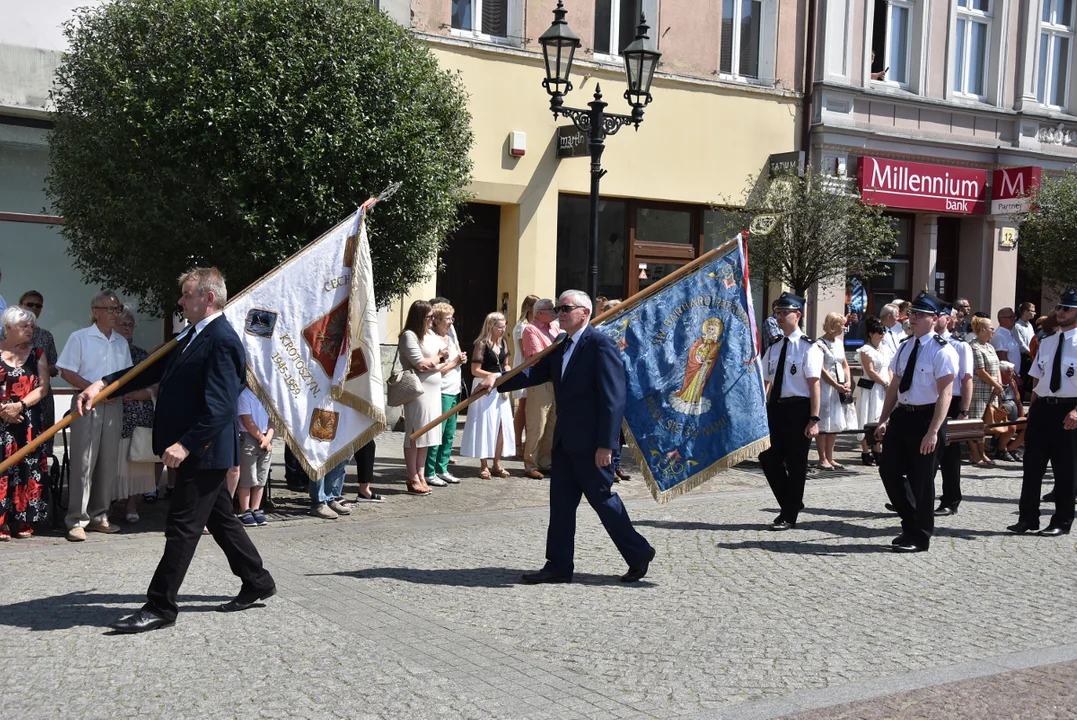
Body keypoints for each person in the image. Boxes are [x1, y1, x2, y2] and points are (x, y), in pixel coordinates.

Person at [78, 267, 275, 633]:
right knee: (220, 519)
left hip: (205, 450)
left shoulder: (222, 340)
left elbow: (220, 408)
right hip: (198, 449)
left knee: (181, 527)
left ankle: (160, 606)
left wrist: (185, 444)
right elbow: (149, 369)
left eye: (186, 295)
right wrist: (102, 384)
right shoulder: (191, 335)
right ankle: (257, 580)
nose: (181, 301)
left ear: (208, 298)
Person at [483, 290, 655, 583]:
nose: (560, 313)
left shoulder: (600, 345)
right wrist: (498, 380)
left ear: (585, 313)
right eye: (558, 308)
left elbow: (613, 399)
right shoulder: (561, 343)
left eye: (566, 308)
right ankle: (558, 566)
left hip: (591, 445)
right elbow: (536, 373)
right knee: (561, 505)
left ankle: (638, 553)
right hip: (564, 441)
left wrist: (606, 444)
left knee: (602, 500)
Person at [873, 292, 958, 553]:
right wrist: (883, 419)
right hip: (902, 416)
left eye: (920, 315)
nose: (914, 318)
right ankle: (910, 522)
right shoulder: (905, 346)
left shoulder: (942, 350)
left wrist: (933, 431)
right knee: (888, 470)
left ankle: (920, 536)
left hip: (926, 418)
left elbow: (945, 392)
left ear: (934, 319)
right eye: (912, 313)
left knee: (922, 479)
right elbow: (895, 385)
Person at [57, 289, 132, 541]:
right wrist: (94, 389)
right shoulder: (80, 338)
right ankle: (76, 520)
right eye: (109, 309)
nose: (114, 314)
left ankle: (100, 516)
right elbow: (66, 371)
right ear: (95, 312)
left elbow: (127, 375)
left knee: (108, 462)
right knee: (83, 463)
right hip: (85, 404)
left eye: (117, 309)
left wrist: (116, 390)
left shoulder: (121, 341)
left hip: (113, 405)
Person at [1009, 290, 1077, 536]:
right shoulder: (1047, 342)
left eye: (1067, 308)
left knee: (1065, 469)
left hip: (1069, 409)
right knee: (1033, 466)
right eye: (1060, 307)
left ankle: (1061, 520)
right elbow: (1037, 382)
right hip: (1042, 409)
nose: (1060, 312)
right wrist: (1031, 412)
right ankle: (1028, 518)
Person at [759, 293, 822, 531]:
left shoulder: (809, 347)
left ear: (798, 315)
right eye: (778, 313)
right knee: (767, 457)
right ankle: (791, 502)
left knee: (796, 463)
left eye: (785, 313)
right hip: (775, 409)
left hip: (799, 409)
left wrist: (814, 419)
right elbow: (766, 382)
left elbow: (814, 384)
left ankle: (788, 515)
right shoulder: (774, 347)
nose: (780, 317)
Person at [0, 306, 51, 540]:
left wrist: (19, 406)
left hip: (27, 418)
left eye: (32, 326)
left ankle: (22, 520)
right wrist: (3, 410)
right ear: (8, 327)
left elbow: (42, 388)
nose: (30, 330)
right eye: (24, 326)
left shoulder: (37, 353)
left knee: (26, 466)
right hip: (0, 418)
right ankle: (1, 521)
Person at [112, 309, 158, 524]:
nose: (127, 328)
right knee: (113, 462)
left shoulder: (142, 355)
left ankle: (132, 505)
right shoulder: (107, 351)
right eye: (123, 324)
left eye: (130, 325)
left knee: (137, 460)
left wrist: (144, 394)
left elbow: (157, 383)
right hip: (114, 413)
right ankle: (106, 505)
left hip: (139, 415)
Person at [398, 300, 448, 495]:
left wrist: (438, 360)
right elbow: (421, 364)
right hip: (418, 391)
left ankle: (421, 474)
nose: (432, 320)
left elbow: (442, 355)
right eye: (429, 317)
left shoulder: (430, 335)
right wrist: (440, 359)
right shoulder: (409, 336)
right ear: (420, 317)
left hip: (434, 390)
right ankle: (411, 476)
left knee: (429, 434)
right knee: (415, 433)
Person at [460, 312, 516, 478]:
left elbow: (506, 364)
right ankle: (484, 464)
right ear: (490, 326)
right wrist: (493, 376)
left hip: (500, 386)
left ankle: (497, 463)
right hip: (484, 386)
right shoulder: (482, 344)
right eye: (500, 326)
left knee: (501, 425)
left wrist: (507, 373)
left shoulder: (503, 342)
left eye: (504, 326)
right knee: (485, 424)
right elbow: (474, 370)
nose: (503, 329)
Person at [934, 305, 973, 516]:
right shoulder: (921, 343)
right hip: (927, 400)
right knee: (920, 453)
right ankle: (912, 496)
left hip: (952, 400)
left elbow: (967, 379)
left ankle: (950, 500)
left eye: (937, 315)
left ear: (947, 319)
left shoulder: (959, 346)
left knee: (949, 457)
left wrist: (964, 411)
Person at [423, 302, 467, 486]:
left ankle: (442, 468)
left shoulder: (450, 338)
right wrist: (456, 362)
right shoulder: (433, 340)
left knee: (449, 433)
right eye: (448, 319)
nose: (451, 322)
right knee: (437, 433)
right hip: (440, 391)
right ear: (437, 321)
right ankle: (429, 471)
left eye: (451, 318)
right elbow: (437, 370)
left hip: (454, 389)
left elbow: (456, 359)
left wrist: (461, 358)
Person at [520, 299, 559, 479]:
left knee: (551, 424)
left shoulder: (555, 329)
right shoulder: (530, 329)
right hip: (539, 381)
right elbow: (537, 356)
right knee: (538, 424)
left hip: (555, 380)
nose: (554, 312)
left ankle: (546, 462)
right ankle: (531, 464)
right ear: (539, 312)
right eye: (550, 309)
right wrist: (556, 349)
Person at [19, 291, 59, 456]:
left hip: (42, 397)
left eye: (38, 305)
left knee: (41, 445)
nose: (34, 308)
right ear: (21, 305)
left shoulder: (46, 336)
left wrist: (39, 369)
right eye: (30, 304)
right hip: (17, 395)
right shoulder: (6, 334)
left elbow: (55, 367)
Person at [815, 312, 855, 470]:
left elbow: (845, 363)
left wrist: (847, 381)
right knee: (824, 422)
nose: (844, 327)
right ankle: (822, 458)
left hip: (839, 384)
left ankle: (830, 457)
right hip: (826, 386)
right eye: (841, 324)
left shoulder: (839, 343)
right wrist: (834, 384)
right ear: (833, 325)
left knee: (835, 422)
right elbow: (821, 368)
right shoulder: (819, 343)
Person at [969, 315, 1004, 468]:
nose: (993, 331)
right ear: (982, 330)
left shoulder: (989, 346)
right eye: (991, 328)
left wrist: (999, 382)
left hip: (992, 390)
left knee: (986, 423)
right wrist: (996, 384)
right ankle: (974, 453)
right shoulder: (973, 346)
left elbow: (997, 366)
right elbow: (980, 371)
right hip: (979, 391)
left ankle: (982, 451)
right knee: (975, 423)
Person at [855, 316, 891, 466]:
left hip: (884, 387)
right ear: (871, 334)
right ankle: (865, 451)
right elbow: (870, 371)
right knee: (867, 416)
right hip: (872, 388)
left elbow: (888, 368)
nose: (882, 335)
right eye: (879, 332)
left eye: (883, 332)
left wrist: (890, 383)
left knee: (880, 417)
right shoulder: (866, 350)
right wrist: (884, 383)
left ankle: (878, 448)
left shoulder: (884, 349)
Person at [236, 386, 273, 527]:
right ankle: (244, 509)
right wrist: (261, 438)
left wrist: (268, 438)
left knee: (261, 476)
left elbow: (272, 420)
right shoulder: (244, 396)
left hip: (266, 439)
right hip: (249, 438)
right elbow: (247, 421)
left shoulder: (267, 395)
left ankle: (256, 508)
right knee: (247, 476)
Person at [512, 295, 539, 451]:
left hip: (528, 367)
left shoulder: (531, 325)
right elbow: (525, 350)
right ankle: (517, 443)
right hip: (523, 366)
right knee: (522, 406)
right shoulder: (522, 327)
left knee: (527, 406)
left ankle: (527, 443)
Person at [991, 307, 1022, 378]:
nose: (1014, 319)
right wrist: (1015, 376)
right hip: (1007, 376)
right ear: (1001, 319)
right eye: (1011, 317)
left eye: (1014, 316)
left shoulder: (1009, 333)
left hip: (1014, 375)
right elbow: (1002, 358)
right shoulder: (1000, 335)